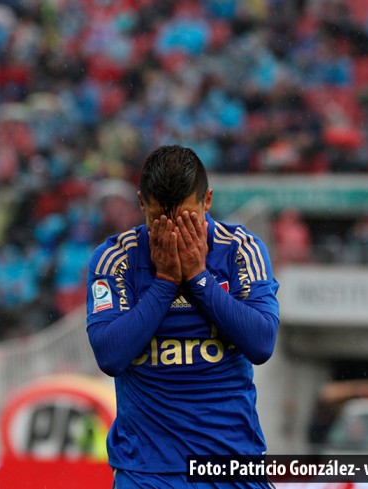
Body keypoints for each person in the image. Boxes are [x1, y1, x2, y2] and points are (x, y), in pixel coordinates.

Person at [86, 145, 280, 488]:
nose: (173, 232)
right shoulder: (116, 258)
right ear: (142, 203)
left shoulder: (240, 249)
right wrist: (164, 284)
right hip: (147, 471)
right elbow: (110, 356)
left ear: (206, 201)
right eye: (160, 219)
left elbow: (262, 343)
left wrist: (198, 278)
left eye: (186, 220)